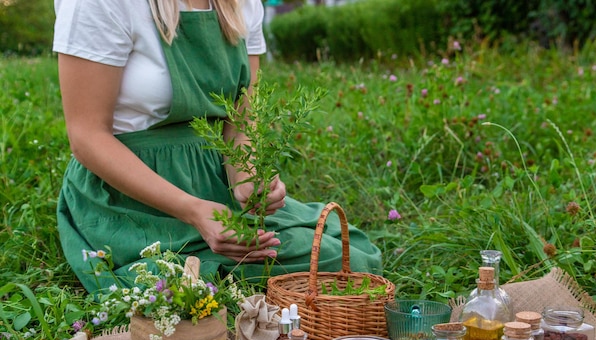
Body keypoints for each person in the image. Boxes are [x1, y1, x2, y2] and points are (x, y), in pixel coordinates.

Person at [53, 0, 382, 294]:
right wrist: (192, 210)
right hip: (130, 196)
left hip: (210, 179)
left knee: (343, 259)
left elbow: (240, 117)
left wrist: (247, 180)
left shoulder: (241, 3)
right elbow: (87, 136)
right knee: (179, 287)